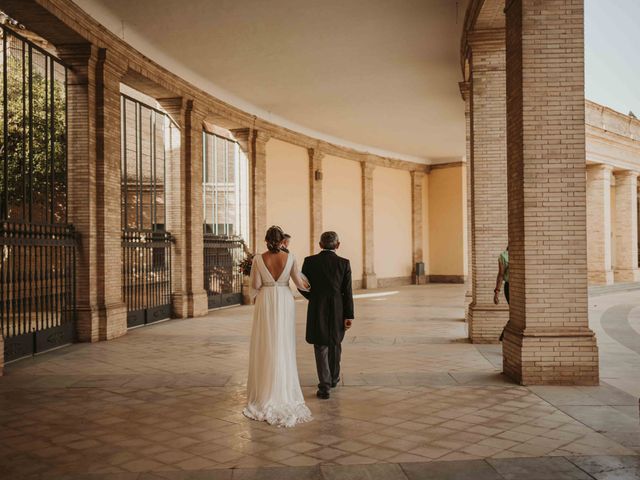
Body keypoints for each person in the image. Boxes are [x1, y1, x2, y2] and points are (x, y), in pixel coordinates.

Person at [243, 226, 312, 427]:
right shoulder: (290, 257)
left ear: (266, 240)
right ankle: (283, 390)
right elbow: (299, 283)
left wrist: (258, 295)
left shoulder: (257, 259)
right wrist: (312, 287)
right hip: (284, 299)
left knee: (266, 343)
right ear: (282, 240)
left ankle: (265, 392)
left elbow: (255, 285)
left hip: (266, 300)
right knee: (283, 342)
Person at [299, 231, 354, 400]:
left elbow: (302, 286)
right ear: (338, 245)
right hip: (338, 308)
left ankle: (324, 386)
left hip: (317, 307)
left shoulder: (309, 261)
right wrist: (349, 315)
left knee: (320, 345)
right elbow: (347, 291)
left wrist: (314, 298)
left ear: (320, 245)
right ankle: (334, 378)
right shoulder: (344, 263)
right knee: (335, 343)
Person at [494, 246, 509, 342]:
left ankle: (504, 335)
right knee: (515, 314)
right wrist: (497, 292)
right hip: (510, 288)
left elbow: (501, 275)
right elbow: (501, 274)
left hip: (521, 288)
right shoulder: (503, 256)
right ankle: (505, 335)